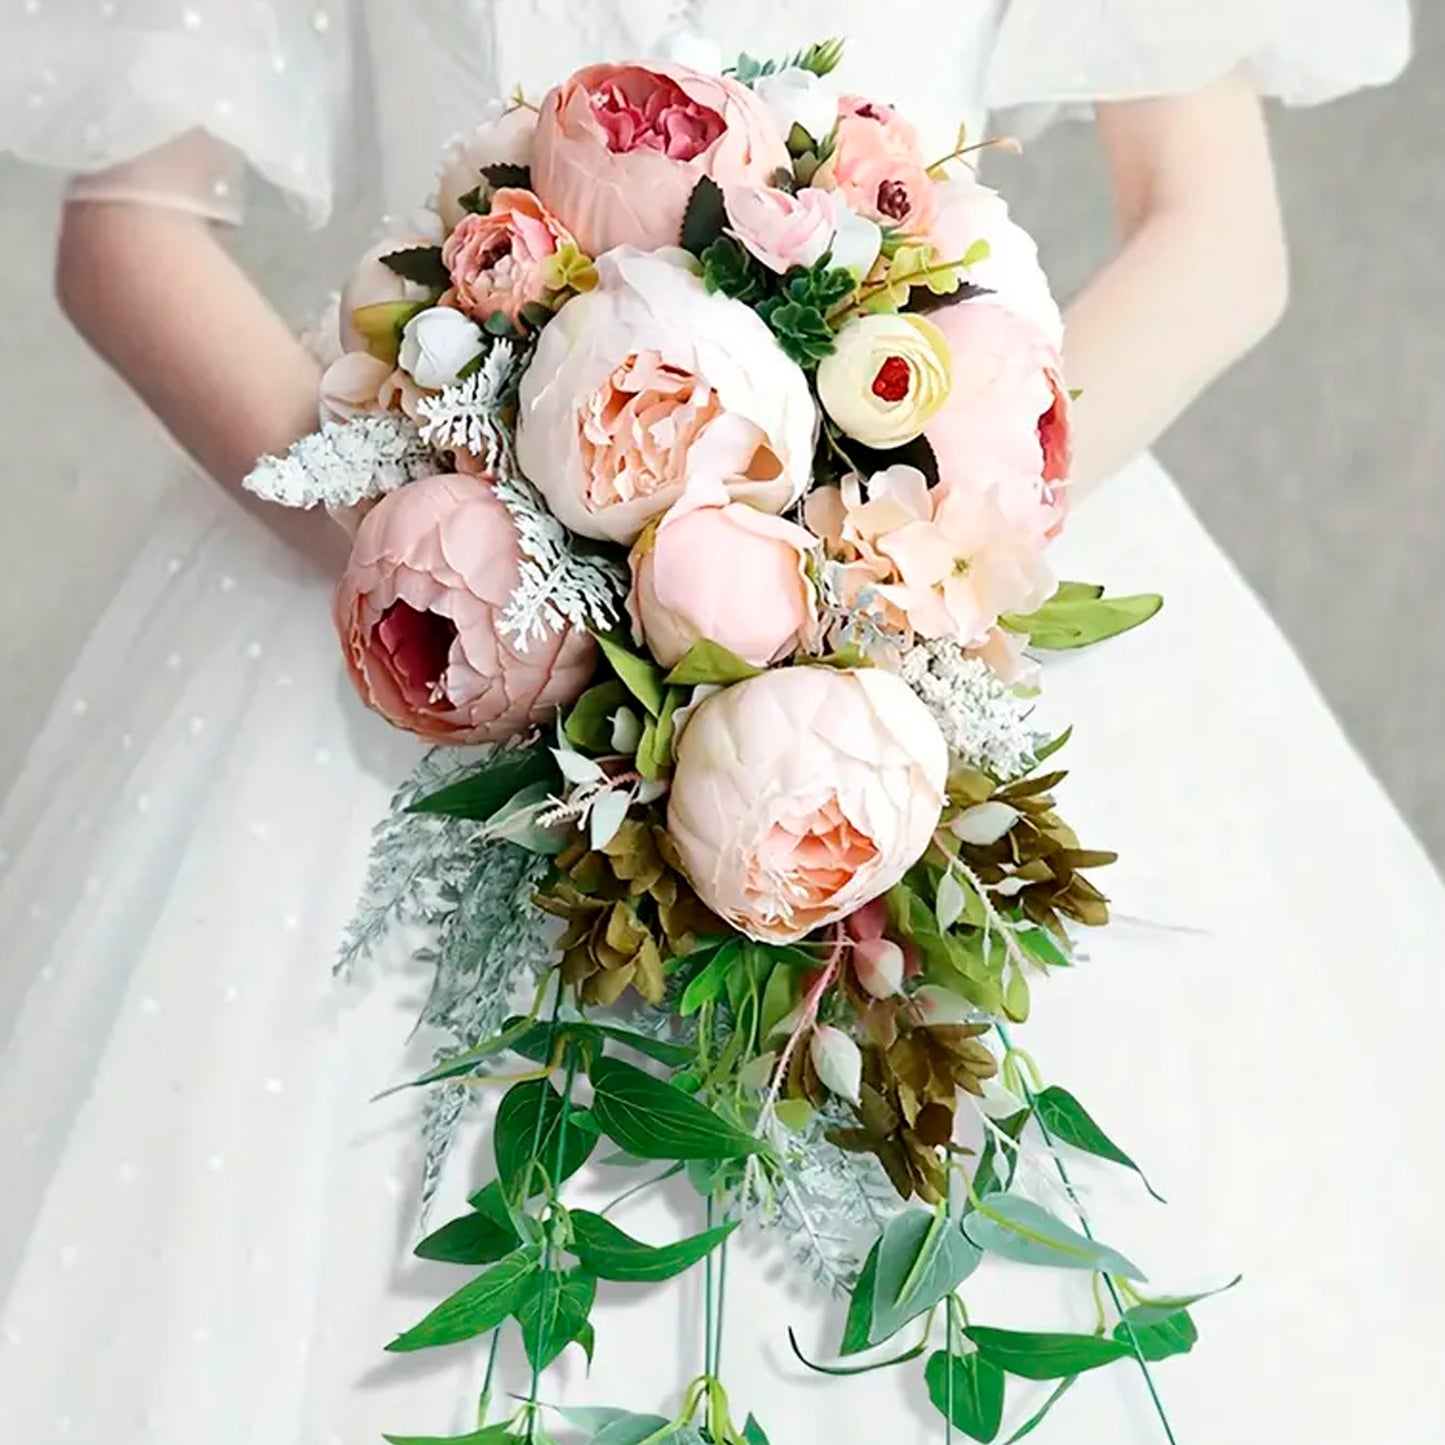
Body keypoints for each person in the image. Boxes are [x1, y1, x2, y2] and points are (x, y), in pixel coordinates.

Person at [1, 2, 1439, 1441]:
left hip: (920, 586)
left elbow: (1214, 232)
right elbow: (128, 233)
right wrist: (465, 577)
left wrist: (916, 549)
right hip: (408, 569)